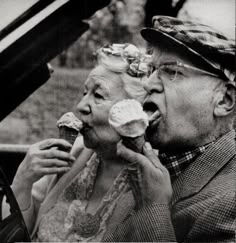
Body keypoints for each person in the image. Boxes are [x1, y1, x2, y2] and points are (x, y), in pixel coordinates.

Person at [105, 16, 236, 242]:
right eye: (152, 69)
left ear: (224, 100)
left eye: (172, 71)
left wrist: (151, 206)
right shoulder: (148, 167)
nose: (148, 84)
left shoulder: (230, 201)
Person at [8, 43, 151, 242]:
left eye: (98, 95)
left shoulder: (152, 182)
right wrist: (23, 181)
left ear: (135, 112)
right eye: (85, 93)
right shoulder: (73, 154)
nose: (81, 106)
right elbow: (15, 234)